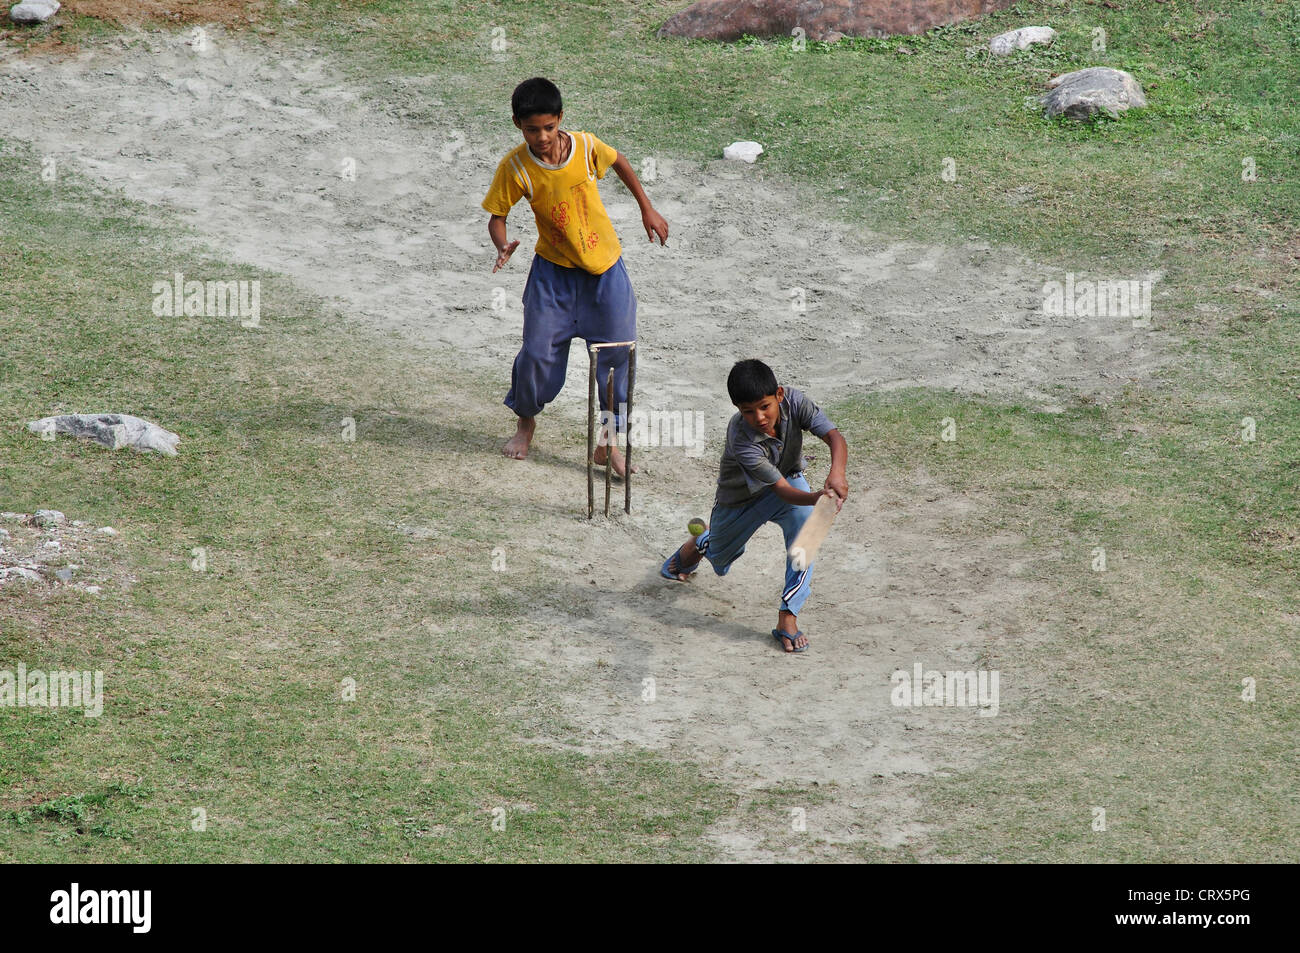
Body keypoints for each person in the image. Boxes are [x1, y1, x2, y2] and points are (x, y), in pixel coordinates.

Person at [482, 77, 669, 473]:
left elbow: (618, 160)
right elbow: (497, 217)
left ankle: (608, 444)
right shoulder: (515, 167)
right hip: (552, 278)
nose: (543, 137)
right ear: (518, 124)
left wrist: (646, 208)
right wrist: (502, 246)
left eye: (549, 127)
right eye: (533, 130)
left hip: (604, 272)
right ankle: (526, 421)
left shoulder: (584, 147)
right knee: (536, 356)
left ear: (560, 119)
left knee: (617, 359)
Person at [660, 359, 850, 653]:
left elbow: (834, 436)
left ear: (780, 395)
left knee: (810, 532)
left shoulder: (796, 402)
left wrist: (837, 472)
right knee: (721, 561)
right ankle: (700, 542)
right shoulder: (741, 438)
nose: (759, 417)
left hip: (788, 481)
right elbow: (782, 492)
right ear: (737, 410)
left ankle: (788, 615)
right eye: (747, 411)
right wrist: (818, 498)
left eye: (764, 406)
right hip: (740, 501)